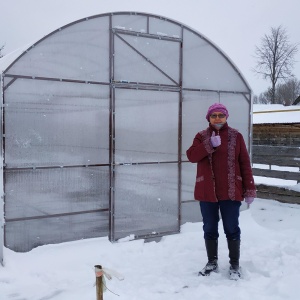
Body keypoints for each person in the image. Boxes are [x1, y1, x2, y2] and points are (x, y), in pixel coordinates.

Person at [186, 103, 256, 280]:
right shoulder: (201, 136)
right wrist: (208, 145)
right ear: (208, 118)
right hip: (207, 192)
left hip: (231, 192)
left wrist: (249, 188)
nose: (217, 118)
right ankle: (212, 262)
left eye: (221, 115)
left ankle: (234, 264)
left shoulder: (236, 136)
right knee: (209, 227)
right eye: (214, 115)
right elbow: (192, 156)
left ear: (226, 117)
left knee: (231, 228)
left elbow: (245, 164)